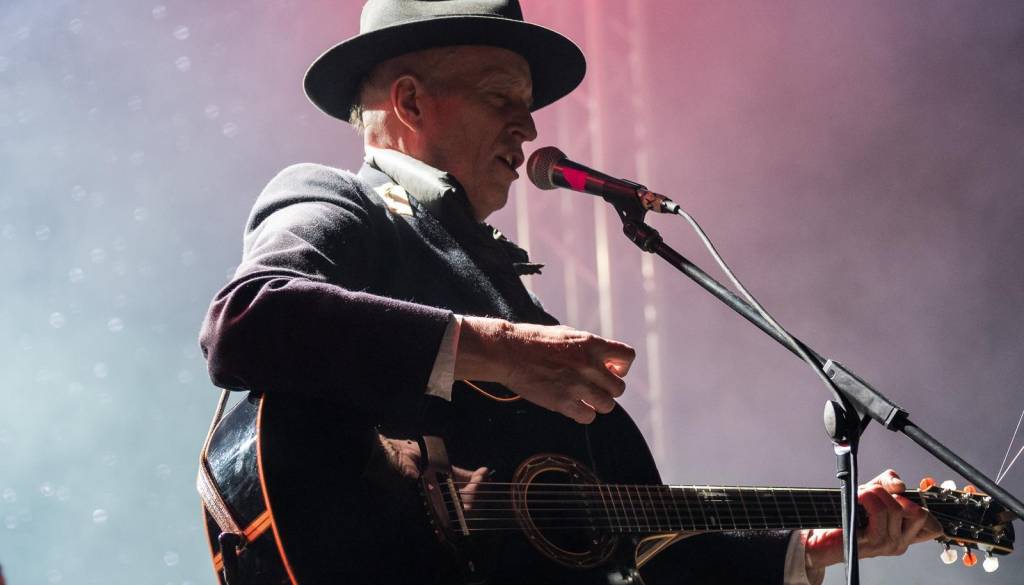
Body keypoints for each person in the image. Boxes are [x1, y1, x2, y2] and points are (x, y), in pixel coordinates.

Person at [199, 1, 940, 583]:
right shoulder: (342, 201)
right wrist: (495, 347)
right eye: (501, 98)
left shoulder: (522, 309)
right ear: (411, 102)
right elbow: (246, 318)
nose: (527, 127)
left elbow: (648, 550)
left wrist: (816, 543)